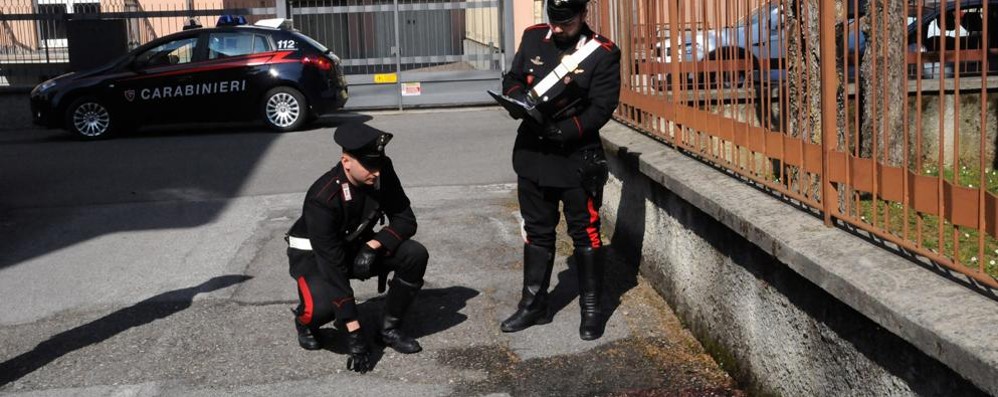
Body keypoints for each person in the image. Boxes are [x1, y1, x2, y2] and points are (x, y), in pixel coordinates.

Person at [498, 0, 621, 341]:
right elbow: (512, 78)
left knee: (585, 232)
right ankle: (534, 304)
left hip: (575, 156)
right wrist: (517, 99)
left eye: (565, 22)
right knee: (537, 230)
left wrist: (565, 131)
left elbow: (602, 107)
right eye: (553, 20)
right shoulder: (535, 37)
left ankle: (593, 309)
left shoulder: (603, 52)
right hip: (534, 154)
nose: (556, 28)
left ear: (584, 14)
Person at [285, 122, 429, 373]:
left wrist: (374, 245)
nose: (377, 173)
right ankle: (304, 321)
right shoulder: (323, 198)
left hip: (355, 244)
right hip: (315, 255)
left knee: (414, 255)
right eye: (369, 166)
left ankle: (389, 329)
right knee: (321, 308)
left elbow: (406, 219)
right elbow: (333, 268)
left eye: (378, 164)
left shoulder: (381, 172)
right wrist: (354, 333)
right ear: (346, 161)